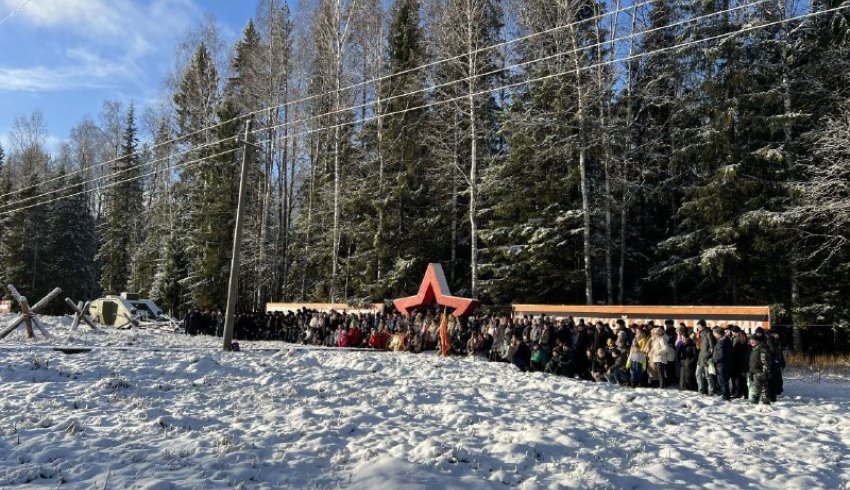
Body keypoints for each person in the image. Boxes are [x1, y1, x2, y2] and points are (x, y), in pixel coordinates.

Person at [748, 333, 771, 405]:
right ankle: (762, 403)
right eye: (750, 340)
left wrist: (765, 373)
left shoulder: (762, 349)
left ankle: (758, 403)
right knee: (759, 388)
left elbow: (766, 362)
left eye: (753, 340)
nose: (751, 341)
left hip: (760, 372)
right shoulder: (754, 348)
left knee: (760, 389)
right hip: (754, 371)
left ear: (757, 341)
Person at [695, 320, 716, 395]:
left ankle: (711, 391)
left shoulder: (708, 333)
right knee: (698, 374)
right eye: (697, 326)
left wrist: (710, 356)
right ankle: (700, 390)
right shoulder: (699, 333)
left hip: (707, 358)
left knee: (708, 376)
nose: (698, 327)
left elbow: (712, 346)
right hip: (700, 357)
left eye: (699, 326)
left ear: (703, 325)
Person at [712, 327, 733, 400]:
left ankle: (725, 395)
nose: (714, 335)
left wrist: (714, 361)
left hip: (721, 364)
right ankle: (725, 394)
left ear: (718, 334)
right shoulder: (726, 340)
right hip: (725, 363)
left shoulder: (722, 341)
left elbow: (720, 354)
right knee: (723, 380)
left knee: (722, 380)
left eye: (715, 333)